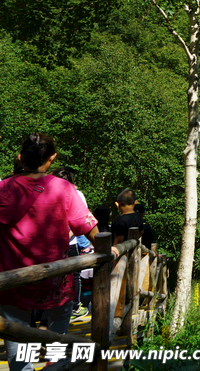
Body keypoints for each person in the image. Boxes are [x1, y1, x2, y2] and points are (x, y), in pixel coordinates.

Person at [0, 134, 118, 371]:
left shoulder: (3, 189)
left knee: (17, 346)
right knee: (60, 340)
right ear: (52, 158)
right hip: (55, 279)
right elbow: (88, 229)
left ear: (21, 157)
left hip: (12, 281)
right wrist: (107, 249)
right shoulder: (63, 188)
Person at [52, 167, 92, 322]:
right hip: (67, 242)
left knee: (68, 277)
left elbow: (81, 220)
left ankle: (73, 306)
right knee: (71, 277)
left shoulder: (47, 192)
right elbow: (84, 221)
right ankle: (73, 307)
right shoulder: (77, 194)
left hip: (62, 243)